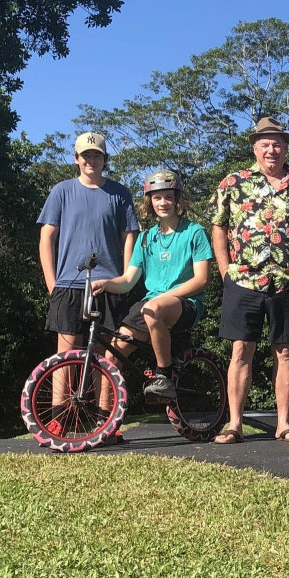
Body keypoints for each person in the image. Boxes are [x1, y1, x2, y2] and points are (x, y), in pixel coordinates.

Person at [210, 116, 289, 444]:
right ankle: (234, 424)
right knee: (240, 350)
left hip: (288, 282)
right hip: (243, 282)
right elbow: (218, 227)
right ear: (254, 147)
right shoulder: (233, 182)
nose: (272, 149)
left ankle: (283, 424)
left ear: (286, 147)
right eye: (265, 143)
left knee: (285, 352)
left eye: (278, 143)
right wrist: (225, 272)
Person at [37, 132, 139, 437]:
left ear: (105, 160)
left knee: (104, 354)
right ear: (76, 158)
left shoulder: (120, 194)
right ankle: (58, 418)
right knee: (66, 353)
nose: (91, 161)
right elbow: (46, 237)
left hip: (107, 284)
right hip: (69, 283)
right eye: (86, 155)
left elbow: (129, 236)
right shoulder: (61, 191)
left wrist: (123, 278)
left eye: (97, 156)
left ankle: (105, 421)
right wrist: (52, 283)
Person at [92, 170, 212, 405]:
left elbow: (202, 280)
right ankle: (106, 424)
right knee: (112, 354)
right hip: (150, 306)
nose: (163, 203)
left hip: (186, 303)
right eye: (157, 198)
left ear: (178, 199)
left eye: (168, 196)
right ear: (150, 201)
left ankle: (164, 376)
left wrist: (164, 298)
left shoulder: (194, 232)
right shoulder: (145, 238)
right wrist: (105, 283)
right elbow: (127, 281)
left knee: (154, 307)